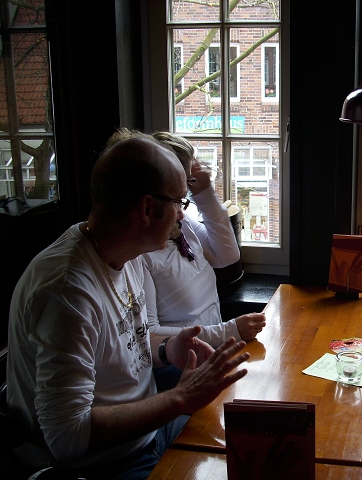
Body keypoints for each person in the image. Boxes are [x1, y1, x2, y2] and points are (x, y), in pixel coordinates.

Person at [6, 134, 250, 479]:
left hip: (146, 437)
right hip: (100, 466)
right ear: (148, 209)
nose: (182, 213)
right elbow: (67, 437)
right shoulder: (67, 291)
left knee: (246, 451)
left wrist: (168, 349)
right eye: (179, 202)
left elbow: (127, 341)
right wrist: (180, 398)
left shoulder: (126, 254)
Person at [105, 129, 266, 391]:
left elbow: (227, 255)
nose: (181, 210)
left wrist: (204, 194)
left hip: (212, 347)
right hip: (178, 364)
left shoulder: (183, 222)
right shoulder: (140, 252)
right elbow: (149, 334)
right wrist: (229, 331)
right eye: (180, 195)